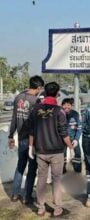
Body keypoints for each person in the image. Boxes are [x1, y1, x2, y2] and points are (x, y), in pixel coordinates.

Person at [28, 82, 74, 217]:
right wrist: (71, 148)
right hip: (56, 152)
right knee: (57, 179)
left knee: (41, 178)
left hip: (40, 150)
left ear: (45, 92)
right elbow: (64, 133)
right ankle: (57, 208)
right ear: (58, 93)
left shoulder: (35, 109)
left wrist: (31, 146)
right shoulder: (59, 111)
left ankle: (41, 207)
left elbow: (32, 131)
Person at [8, 75, 44, 204]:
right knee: (32, 167)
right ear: (39, 87)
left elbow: (13, 118)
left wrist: (11, 136)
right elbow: (38, 123)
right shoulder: (36, 101)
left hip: (21, 137)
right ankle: (27, 196)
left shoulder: (18, 98)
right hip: (32, 140)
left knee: (20, 165)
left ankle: (15, 194)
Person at [62, 98, 82, 173]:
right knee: (62, 156)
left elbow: (79, 128)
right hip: (62, 139)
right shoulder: (60, 114)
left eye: (68, 105)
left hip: (73, 138)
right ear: (62, 105)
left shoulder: (75, 114)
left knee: (77, 155)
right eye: (64, 105)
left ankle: (77, 172)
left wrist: (76, 139)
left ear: (71, 105)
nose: (66, 107)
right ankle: (62, 172)